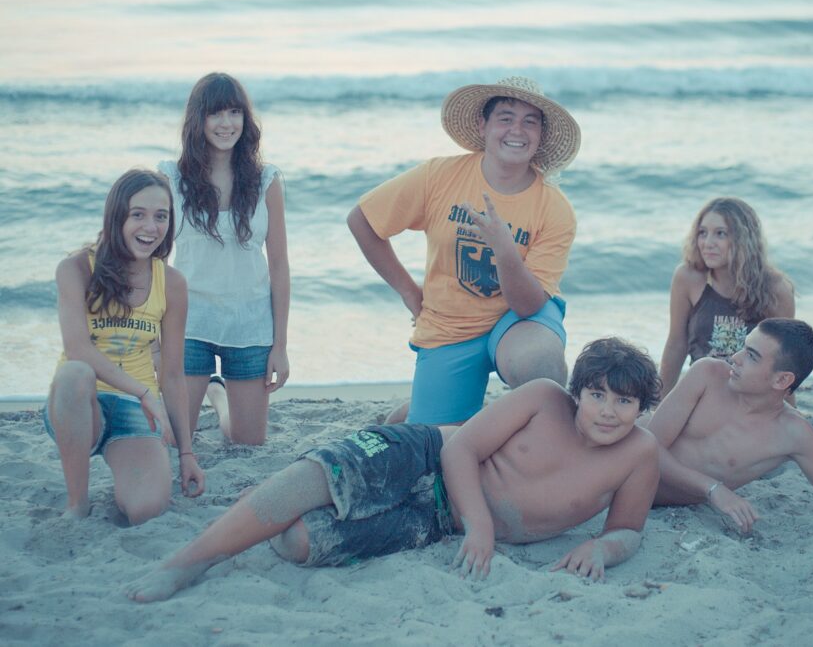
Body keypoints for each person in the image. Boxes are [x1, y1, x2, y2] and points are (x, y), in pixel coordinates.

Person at [126, 337, 661, 602]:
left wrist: (601, 549)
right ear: (578, 392)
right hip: (424, 453)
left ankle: (261, 521)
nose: (608, 412)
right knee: (315, 479)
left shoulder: (638, 455)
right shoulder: (544, 399)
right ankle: (188, 560)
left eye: (623, 403)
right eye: (597, 395)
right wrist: (481, 526)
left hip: (435, 521)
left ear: (642, 409)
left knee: (301, 543)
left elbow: (628, 530)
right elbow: (459, 452)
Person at [347, 76, 580, 424]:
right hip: (450, 326)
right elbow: (363, 220)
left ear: (540, 136)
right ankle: (427, 410)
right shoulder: (439, 176)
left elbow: (530, 303)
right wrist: (409, 292)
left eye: (530, 121)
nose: (517, 129)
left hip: (518, 321)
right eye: (505, 117)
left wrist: (504, 249)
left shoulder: (554, 208)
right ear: (482, 125)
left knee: (541, 366)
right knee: (433, 437)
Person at [45, 169, 205, 524]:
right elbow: (78, 350)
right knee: (74, 374)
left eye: (161, 216)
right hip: (78, 407)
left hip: (132, 412)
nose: (151, 227)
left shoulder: (172, 283)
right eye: (138, 214)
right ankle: (77, 503)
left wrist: (187, 453)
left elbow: (174, 373)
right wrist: (144, 392)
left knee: (145, 510)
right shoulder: (75, 268)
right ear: (117, 214)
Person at [648, 318, 813, 548]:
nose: (735, 358)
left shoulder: (793, 433)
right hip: (620, 462)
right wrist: (713, 489)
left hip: (646, 500)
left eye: (751, 355)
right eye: (744, 348)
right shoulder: (708, 374)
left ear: (781, 379)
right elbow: (647, 449)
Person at [157, 73, 290, 446]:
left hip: (249, 325)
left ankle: (219, 399)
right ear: (197, 119)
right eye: (216, 113)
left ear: (246, 120)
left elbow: (279, 266)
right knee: (175, 440)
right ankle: (211, 393)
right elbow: (156, 261)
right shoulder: (172, 179)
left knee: (248, 443)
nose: (226, 123)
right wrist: (154, 337)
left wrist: (280, 345)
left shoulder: (266, 181)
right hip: (189, 322)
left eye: (235, 112)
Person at [659, 197, 794, 396]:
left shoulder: (776, 289)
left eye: (720, 234)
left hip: (750, 396)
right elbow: (676, 344)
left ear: (743, 239)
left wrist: (788, 414)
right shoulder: (688, 278)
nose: (707, 243)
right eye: (702, 233)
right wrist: (656, 402)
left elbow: (783, 361)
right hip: (703, 392)